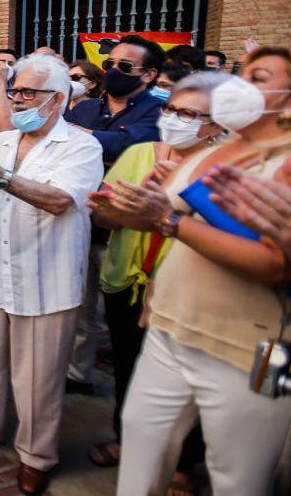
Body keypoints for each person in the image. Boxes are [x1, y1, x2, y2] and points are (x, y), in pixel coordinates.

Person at [110, 43, 291, 496]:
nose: (239, 85)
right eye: (242, 74)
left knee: (236, 476)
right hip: (170, 328)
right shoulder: (215, 149)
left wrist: (168, 221)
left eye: (258, 79)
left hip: (245, 346)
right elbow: (173, 232)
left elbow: (279, 265)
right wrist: (139, 214)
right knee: (142, 441)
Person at [0, 54, 103, 495]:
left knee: (38, 376)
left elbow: (59, 200)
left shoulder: (82, 147)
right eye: (15, 91)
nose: (19, 99)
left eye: (29, 92)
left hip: (46, 278)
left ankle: (36, 455)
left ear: (59, 100)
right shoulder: (0, 143)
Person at [84, 72, 228, 481]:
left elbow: (223, 231)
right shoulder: (140, 152)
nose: (174, 118)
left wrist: (168, 209)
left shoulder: (224, 165)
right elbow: (103, 213)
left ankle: (182, 464)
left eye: (188, 113)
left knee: (187, 382)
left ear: (216, 123)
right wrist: (120, 210)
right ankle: (125, 440)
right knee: (130, 365)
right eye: (170, 109)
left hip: (188, 291)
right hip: (129, 280)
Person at [63, 33, 165, 394]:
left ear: (149, 75)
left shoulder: (158, 112)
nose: (113, 71)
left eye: (125, 66)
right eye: (109, 65)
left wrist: (85, 136)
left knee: (124, 317)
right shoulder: (87, 108)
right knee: (80, 305)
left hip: (125, 226)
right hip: (79, 219)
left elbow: (134, 143)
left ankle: (131, 387)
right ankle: (78, 373)